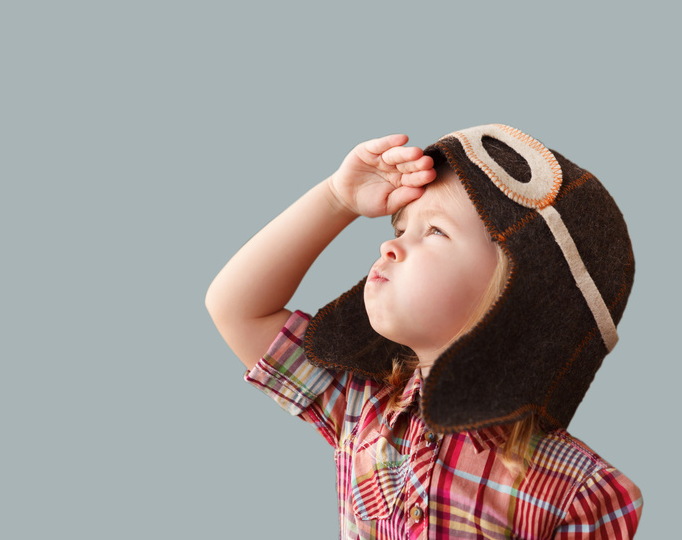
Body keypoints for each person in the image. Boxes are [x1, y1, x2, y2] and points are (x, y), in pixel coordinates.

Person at [205, 124, 643, 538]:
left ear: (520, 289)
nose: (388, 245)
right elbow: (237, 309)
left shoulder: (582, 493)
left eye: (434, 230)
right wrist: (338, 199)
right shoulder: (362, 409)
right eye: (399, 228)